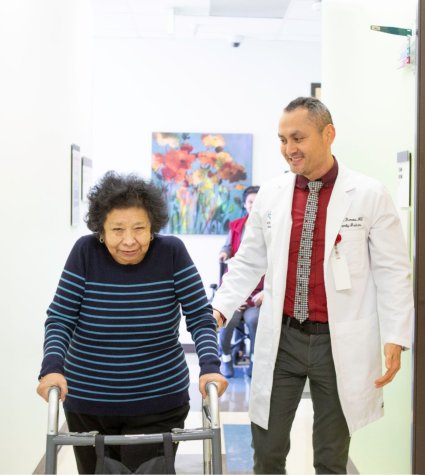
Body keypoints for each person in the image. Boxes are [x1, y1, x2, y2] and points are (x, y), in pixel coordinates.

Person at [212, 97, 414, 474]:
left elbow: (392, 271)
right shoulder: (272, 195)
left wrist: (395, 336)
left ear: (328, 134)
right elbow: (249, 260)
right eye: (282, 139)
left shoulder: (369, 194)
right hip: (283, 338)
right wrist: (219, 309)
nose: (289, 149)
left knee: (331, 455)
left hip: (338, 342)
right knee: (267, 451)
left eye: (298, 138)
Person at [37, 171, 228, 474]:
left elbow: (200, 317)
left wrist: (209, 367)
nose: (129, 240)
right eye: (117, 230)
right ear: (101, 230)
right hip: (89, 404)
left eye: (139, 228)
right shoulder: (85, 253)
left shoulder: (171, 253)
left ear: (153, 227)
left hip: (158, 402)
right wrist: (51, 369)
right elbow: (60, 318)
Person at [218, 186, 264, 378]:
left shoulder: (270, 227)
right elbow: (228, 246)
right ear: (245, 205)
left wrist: (268, 291)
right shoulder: (237, 225)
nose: (253, 205)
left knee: (254, 320)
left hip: (258, 291)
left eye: (257, 201)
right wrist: (225, 253)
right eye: (250, 202)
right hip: (238, 287)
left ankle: (254, 360)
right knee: (229, 319)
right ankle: (226, 358)